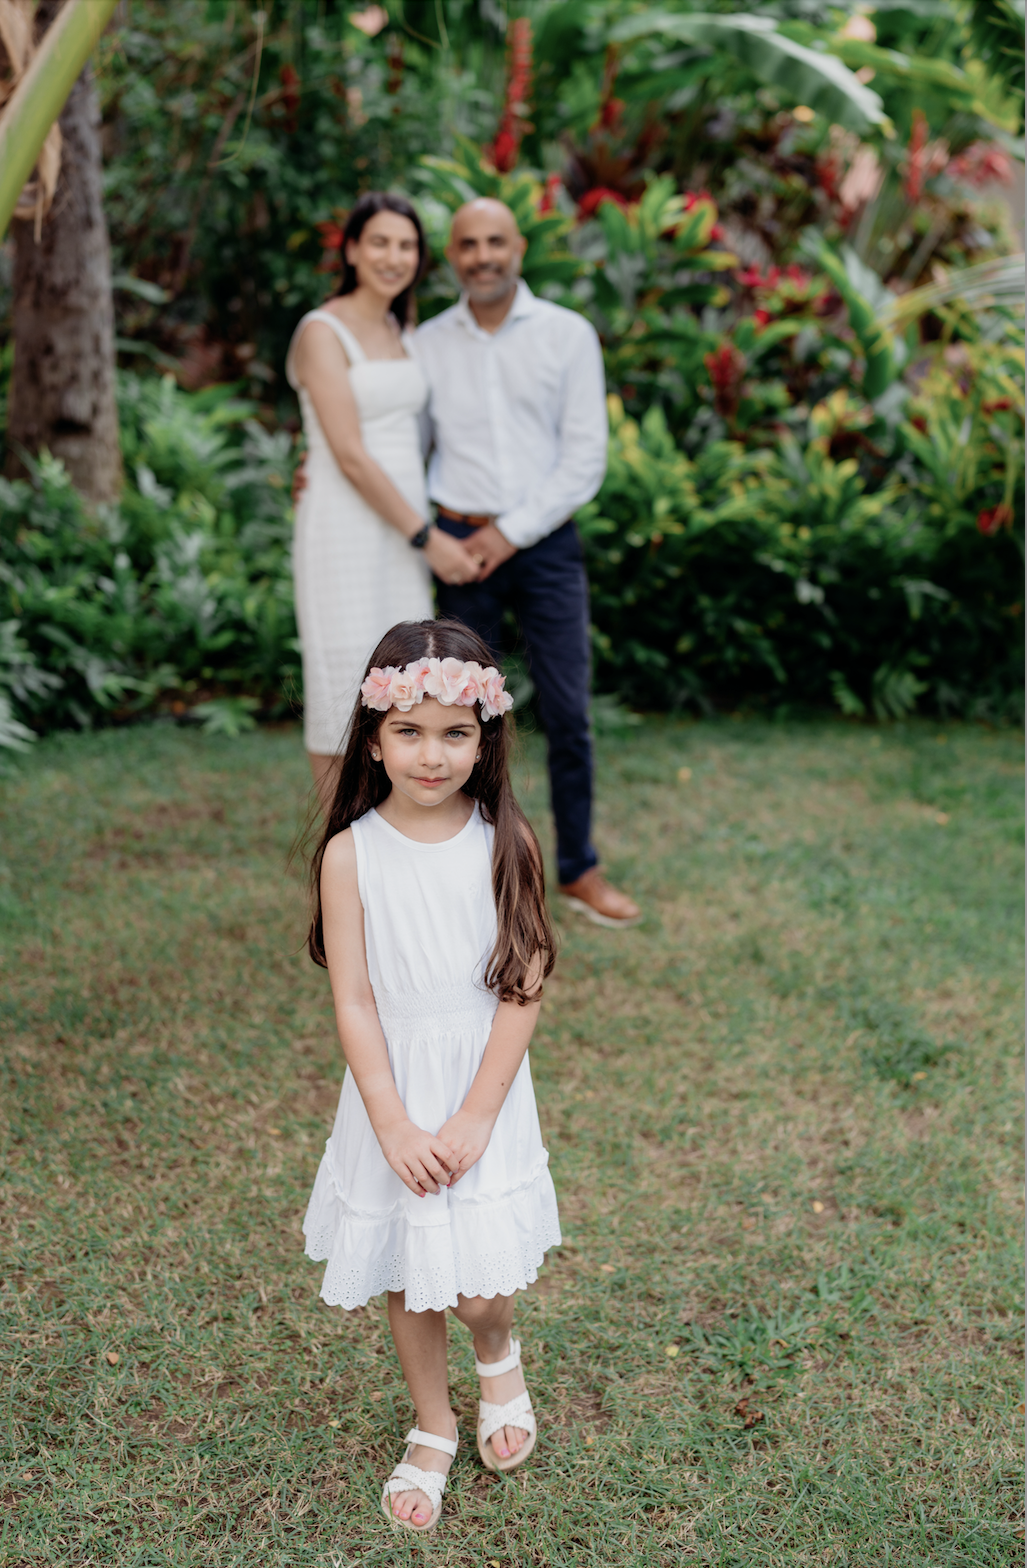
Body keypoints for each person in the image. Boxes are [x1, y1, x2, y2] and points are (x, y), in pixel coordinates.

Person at [303, 617, 561, 1533]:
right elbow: (357, 1005)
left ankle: (498, 1354)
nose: (431, 754)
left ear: (485, 736)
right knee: (413, 1277)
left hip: (480, 1089)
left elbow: (524, 988)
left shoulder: (507, 843)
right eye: (409, 731)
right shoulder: (351, 855)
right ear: (374, 737)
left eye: (455, 732)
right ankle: (433, 1424)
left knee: (481, 1286)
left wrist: (477, 1116)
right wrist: (395, 1126)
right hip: (394, 1095)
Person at [413, 197, 641, 929]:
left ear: (519, 248)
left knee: (568, 711)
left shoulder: (567, 336)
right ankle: (467, 871)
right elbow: (403, 449)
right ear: (453, 257)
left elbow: (585, 458)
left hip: (543, 547)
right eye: (468, 244)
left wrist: (509, 533)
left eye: (496, 242)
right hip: (455, 542)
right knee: (460, 717)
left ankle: (577, 867)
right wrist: (435, 533)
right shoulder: (426, 342)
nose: (483, 255)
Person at [286, 192, 479, 807]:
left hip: (400, 528)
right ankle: (339, 855)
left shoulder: (406, 329)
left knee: (403, 683)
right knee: (340, 687)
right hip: (346, 525)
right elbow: (348, 452)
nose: (393, 257)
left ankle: (390, 846)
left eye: (406, 245)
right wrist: (427, 538)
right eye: (379, 242)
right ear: (351, 250)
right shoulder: (322, 329)